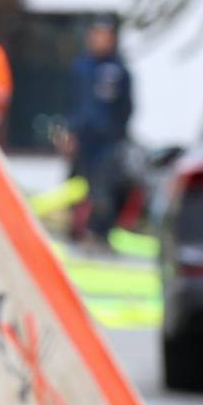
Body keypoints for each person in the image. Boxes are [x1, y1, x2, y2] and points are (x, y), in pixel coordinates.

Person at [65, 20, 136, 247]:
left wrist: (117, 133)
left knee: (104, 186)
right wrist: (69, 131)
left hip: (107, 140)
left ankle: (100, 232)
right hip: (82, 139)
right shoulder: (80, 67)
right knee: (77, 186)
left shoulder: (118, 70)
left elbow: (126, 106)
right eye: (96, 35)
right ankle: (76, 230)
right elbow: (71, 102)